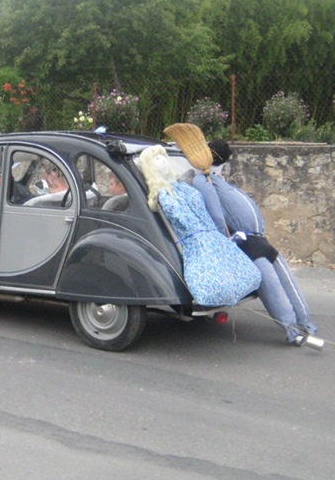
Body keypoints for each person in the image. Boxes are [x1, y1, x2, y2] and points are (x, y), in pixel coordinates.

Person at [207, 138, 319, 342]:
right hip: (261, 239)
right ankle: (305, 323)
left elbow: (217, 216)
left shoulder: (210, 183)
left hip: (249, 244)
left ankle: (293, 330)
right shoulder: (225, 184)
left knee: (273, 290)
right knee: (286, 284)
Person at [136, 144, 261, 307]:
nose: (163, 163)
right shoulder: (164, 194)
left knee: (235, 267)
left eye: (163, 158)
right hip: (194, 237)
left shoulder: (179, 186)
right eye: (157, 160)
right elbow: (179, 217)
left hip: (207, 232)